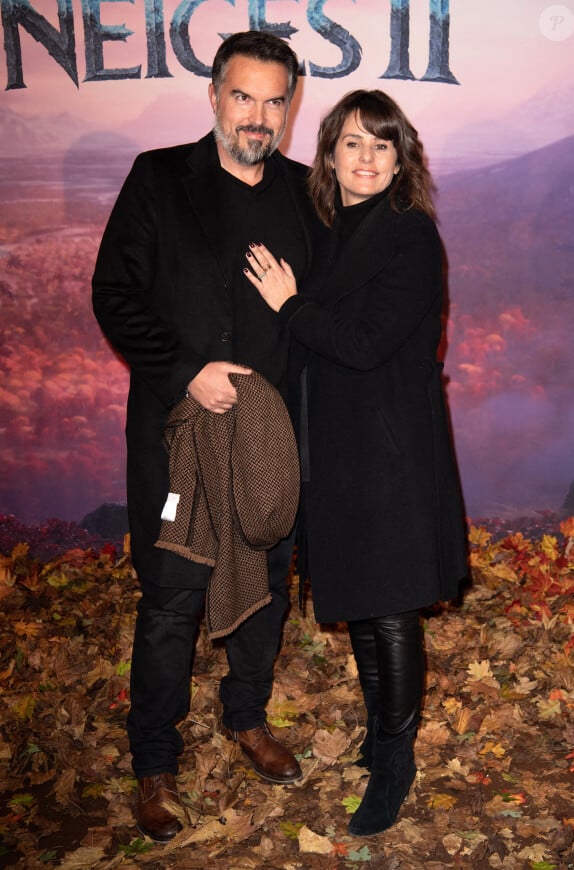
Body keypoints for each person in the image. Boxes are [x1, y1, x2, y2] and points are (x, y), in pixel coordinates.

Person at [92, 31, 317, 843]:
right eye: (243, 96)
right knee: (172, 595)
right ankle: (153, 761)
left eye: (273, 100)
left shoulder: (303, 194)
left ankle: (247, 717)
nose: (257, 116)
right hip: (176, 430)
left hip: (271, 435)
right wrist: (189, 368)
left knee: (265, 577)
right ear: (214, 95)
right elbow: (114, 294)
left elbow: (327, 312)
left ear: (289, 108)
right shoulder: (159, 179)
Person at [244, 89, 468, 837]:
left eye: (383, 145)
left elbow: (367, 342)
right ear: (330, 152)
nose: (367, 158)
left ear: (402, 158)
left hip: (391, 450)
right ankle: (380, 736)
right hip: (337, 446)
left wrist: (290, 305)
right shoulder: (329, 229)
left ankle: (396, 762)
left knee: (394, 607)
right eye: (353, 143)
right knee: (367, 607)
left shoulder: (409, 235)